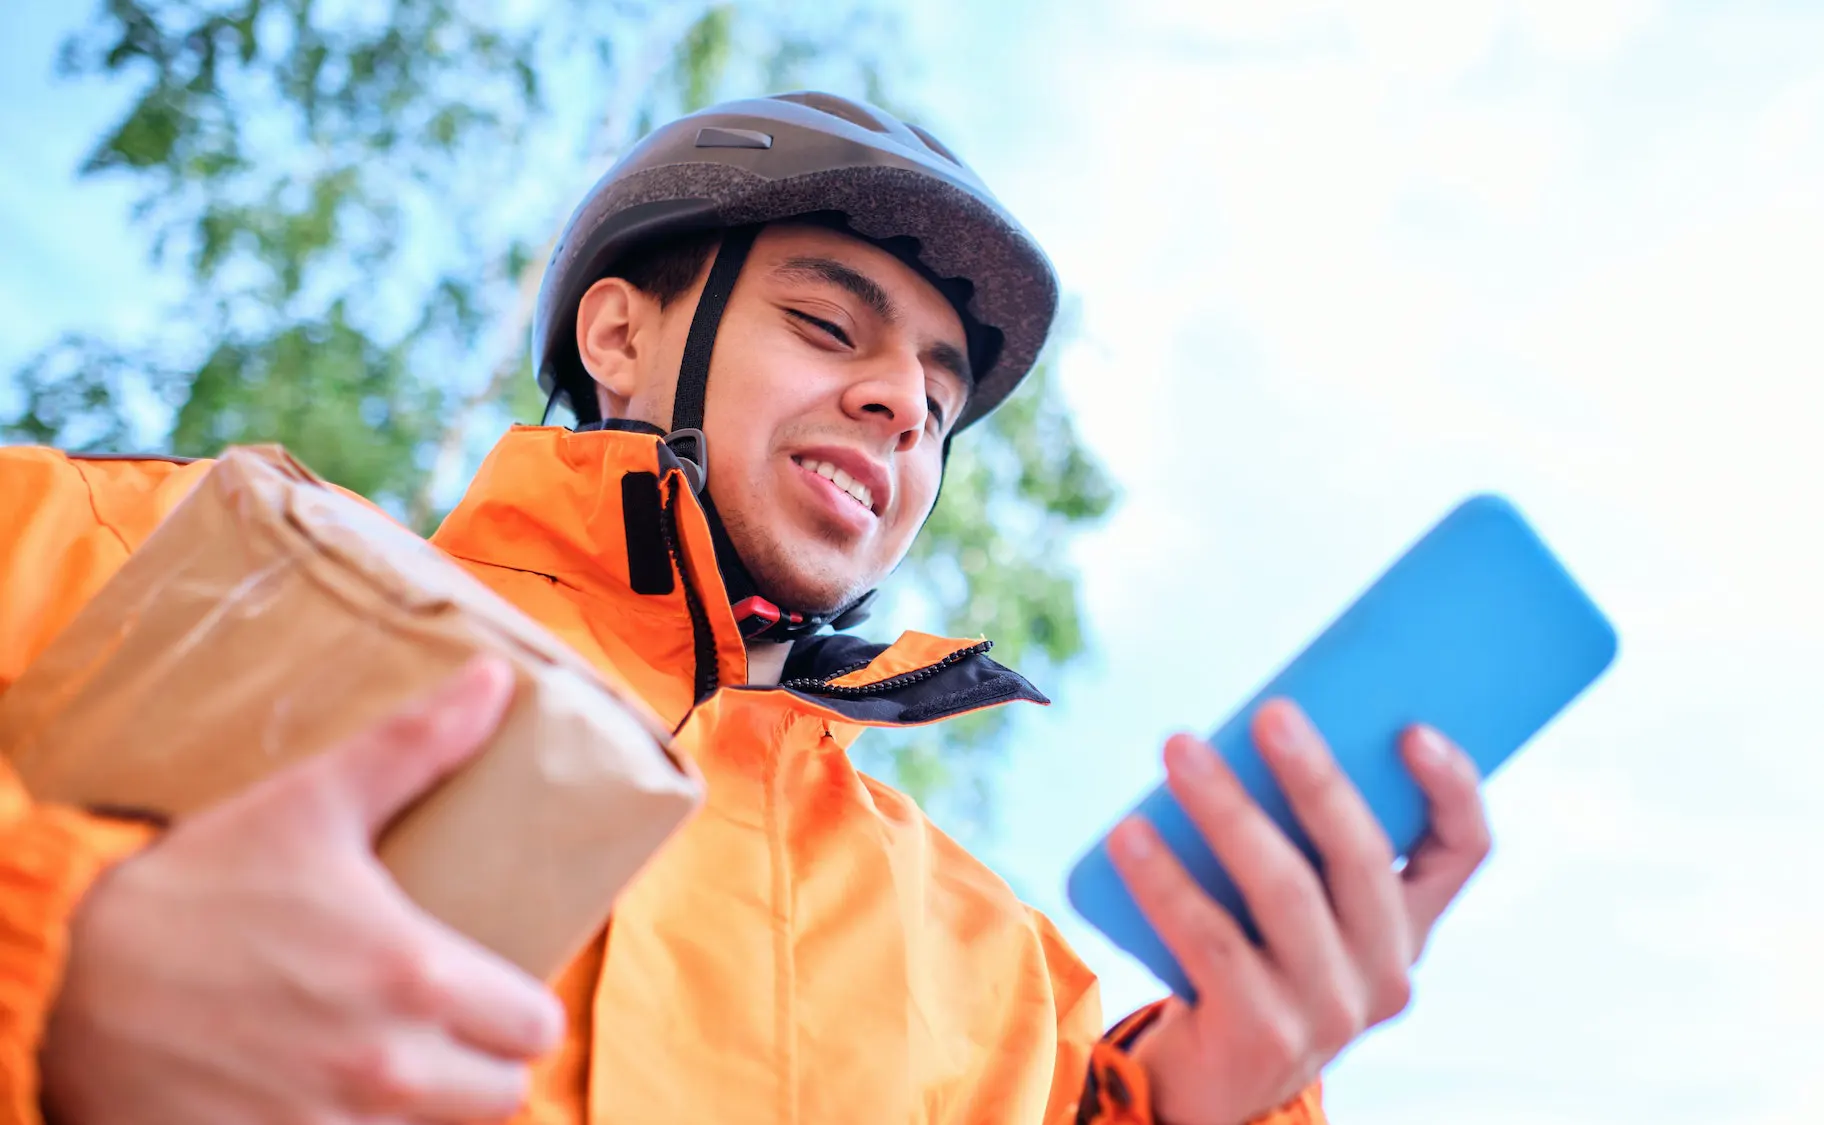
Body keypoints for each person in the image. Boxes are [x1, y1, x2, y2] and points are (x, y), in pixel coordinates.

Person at [0, 92, 1493, 1125]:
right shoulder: (133, 550)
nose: (898, 402)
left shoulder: (1001, 979)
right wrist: (58, 976)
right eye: (829, 323)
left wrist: (1212, 1095)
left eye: (937, 396)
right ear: (622, 334)